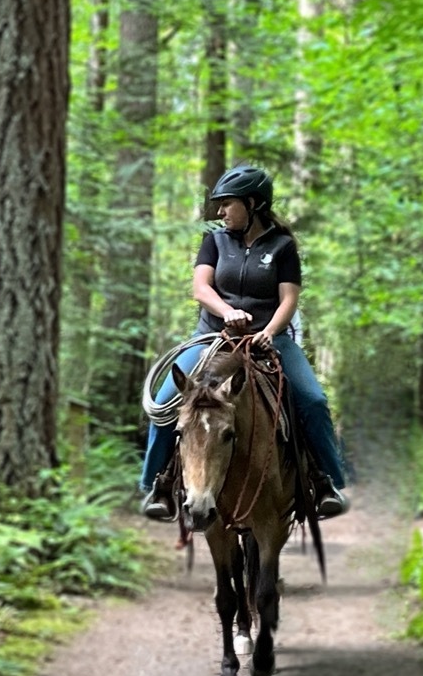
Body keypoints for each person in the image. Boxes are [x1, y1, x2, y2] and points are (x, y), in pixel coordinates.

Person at [140, 165, 349, 521]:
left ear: (252, 204)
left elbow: (288, 300)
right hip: (213, 336)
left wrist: (269, 332)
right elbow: (200, 288)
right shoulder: (215, 241)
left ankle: (326, 481)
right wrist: (226, 311)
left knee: (312, 400)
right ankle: (157, 486)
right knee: (164, 403)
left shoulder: (283, 247)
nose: (220, 212)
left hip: (269, 338)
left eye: (227, 204)